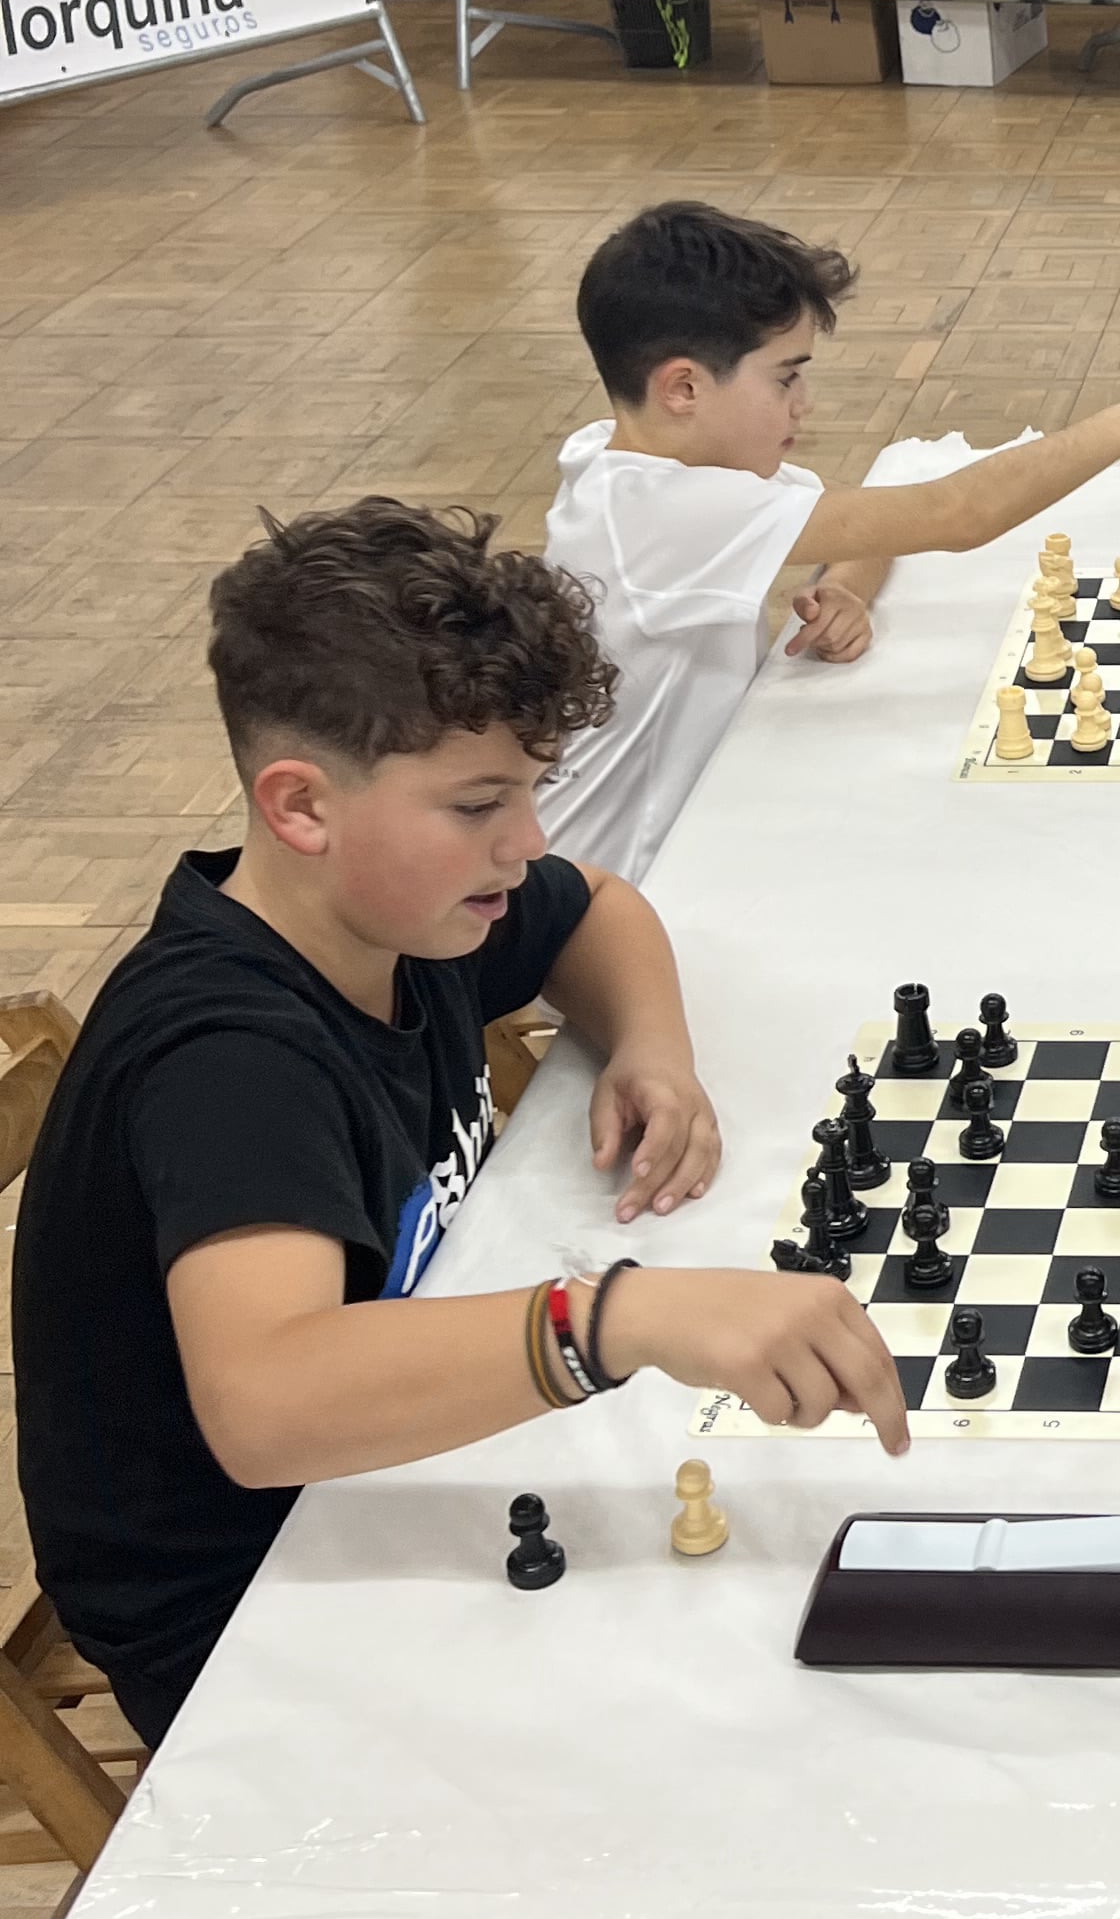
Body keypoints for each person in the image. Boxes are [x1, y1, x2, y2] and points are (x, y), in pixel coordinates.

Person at [9, 500, 913, 1750]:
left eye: (533, 793)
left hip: (386, 1484)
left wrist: (650, 1045)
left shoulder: (401, 914)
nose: (525, 843)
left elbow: (595, 905)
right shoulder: (230, 1057)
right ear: (301, 807)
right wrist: (615, 1320)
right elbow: (266, 1405)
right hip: (242, 1609)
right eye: (481, 804)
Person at [543, 202, 1120, 880]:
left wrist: (844, 590)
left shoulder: (633, 458)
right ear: (683, 389)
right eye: (785, 378)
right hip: (617, 882)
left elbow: (872, 525)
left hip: (692, 823)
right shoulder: (664, 511)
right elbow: (955, 514)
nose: (804, 404)